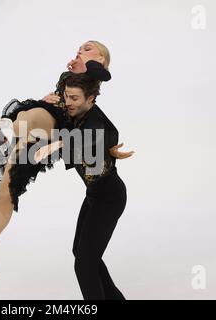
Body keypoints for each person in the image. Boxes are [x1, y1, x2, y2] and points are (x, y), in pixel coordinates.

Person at [0, 41, 131, 281]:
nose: (79, 50)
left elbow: (101, 89)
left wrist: (86, 67)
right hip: (42, 133)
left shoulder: (94, 81)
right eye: (79, 48)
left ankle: (11, 133)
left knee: (34, 115)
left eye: (87, 48)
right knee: (8, 187)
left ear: (99, 60)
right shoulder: (68, 77)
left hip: (61, 132)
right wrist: (54, 95)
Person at [34, 72, 135, 299]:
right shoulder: (74, 109)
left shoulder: (95, 123)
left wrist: (57, 144)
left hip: (110, 198)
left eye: (75, 98)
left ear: (91, 100)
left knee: (84, 265)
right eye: (67, 96)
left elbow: (89, 138)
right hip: (95, 196)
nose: (68, 103)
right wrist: (46, 101)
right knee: (81, 254)